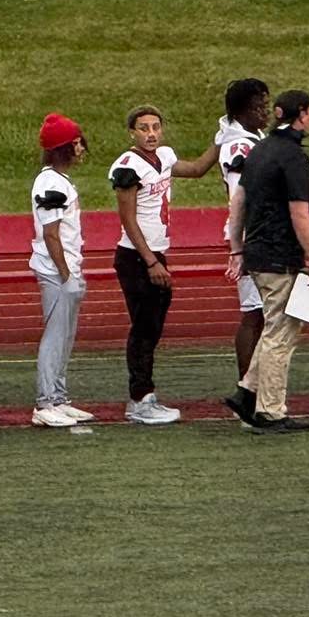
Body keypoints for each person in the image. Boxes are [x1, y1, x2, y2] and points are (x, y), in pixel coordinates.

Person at [108, 106, 218, 425]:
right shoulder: (128, 166)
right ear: (132, 132)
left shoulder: (165, 157)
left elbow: (197, 169)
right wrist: (151, 260)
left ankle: (143, 396)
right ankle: (140, 398)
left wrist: (222, 141)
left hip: (155, 254)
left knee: (153, 328)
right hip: (137, 256)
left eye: (155, 126)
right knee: (144, 329)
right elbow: (127, 219)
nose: (151, 133)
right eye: (143, 128)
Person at [231, 91, 309, 435]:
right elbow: (299, 213)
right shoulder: (294, 158)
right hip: (279, 254)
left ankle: (248, 392)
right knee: (282, 331)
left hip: (257, 250)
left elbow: (239, 201)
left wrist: (236, 247)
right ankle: (270, 410)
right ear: (301, 115)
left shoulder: (259, 149)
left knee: (275, 325)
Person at [29, 114, 92, 430]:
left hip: (65, 268)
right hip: (57, 272)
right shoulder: (51, 183)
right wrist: (66, 274)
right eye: (77, 142)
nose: (81, 148)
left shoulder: (57, 181)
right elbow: (51, 233)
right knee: (56, 337)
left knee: (64, 336)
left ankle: (58, 396)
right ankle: (45, 401)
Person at [218, 80, 272, 392]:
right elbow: (241, 195)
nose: (265, 112)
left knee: (264, 312)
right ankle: (248, 386)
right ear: (242, 111)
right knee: (253, 312)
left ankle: (256, 382)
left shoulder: (252, 138)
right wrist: (242, 244)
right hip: (253, 233)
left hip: (259, 232)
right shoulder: (239, 146)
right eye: (259, 107)